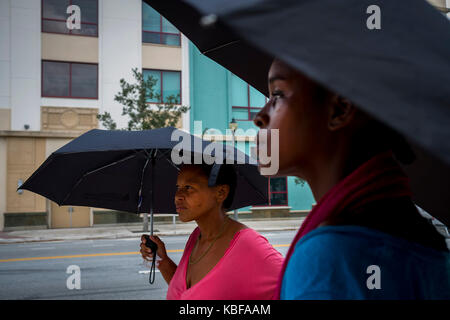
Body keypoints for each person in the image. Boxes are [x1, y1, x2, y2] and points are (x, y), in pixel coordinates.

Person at [253, 58, 450, 299]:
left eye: (278, 95)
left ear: (339, 110)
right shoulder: (420, 236)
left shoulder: (328, 258)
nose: (260, 117)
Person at [140, 164, 284, 300]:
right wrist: (162, 260)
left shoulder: (248, 244)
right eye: (178, 187)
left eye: (188, 187)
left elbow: (295, 287)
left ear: (221, 193)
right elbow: (189, 294)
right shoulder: (196, 236)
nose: (178, 196)